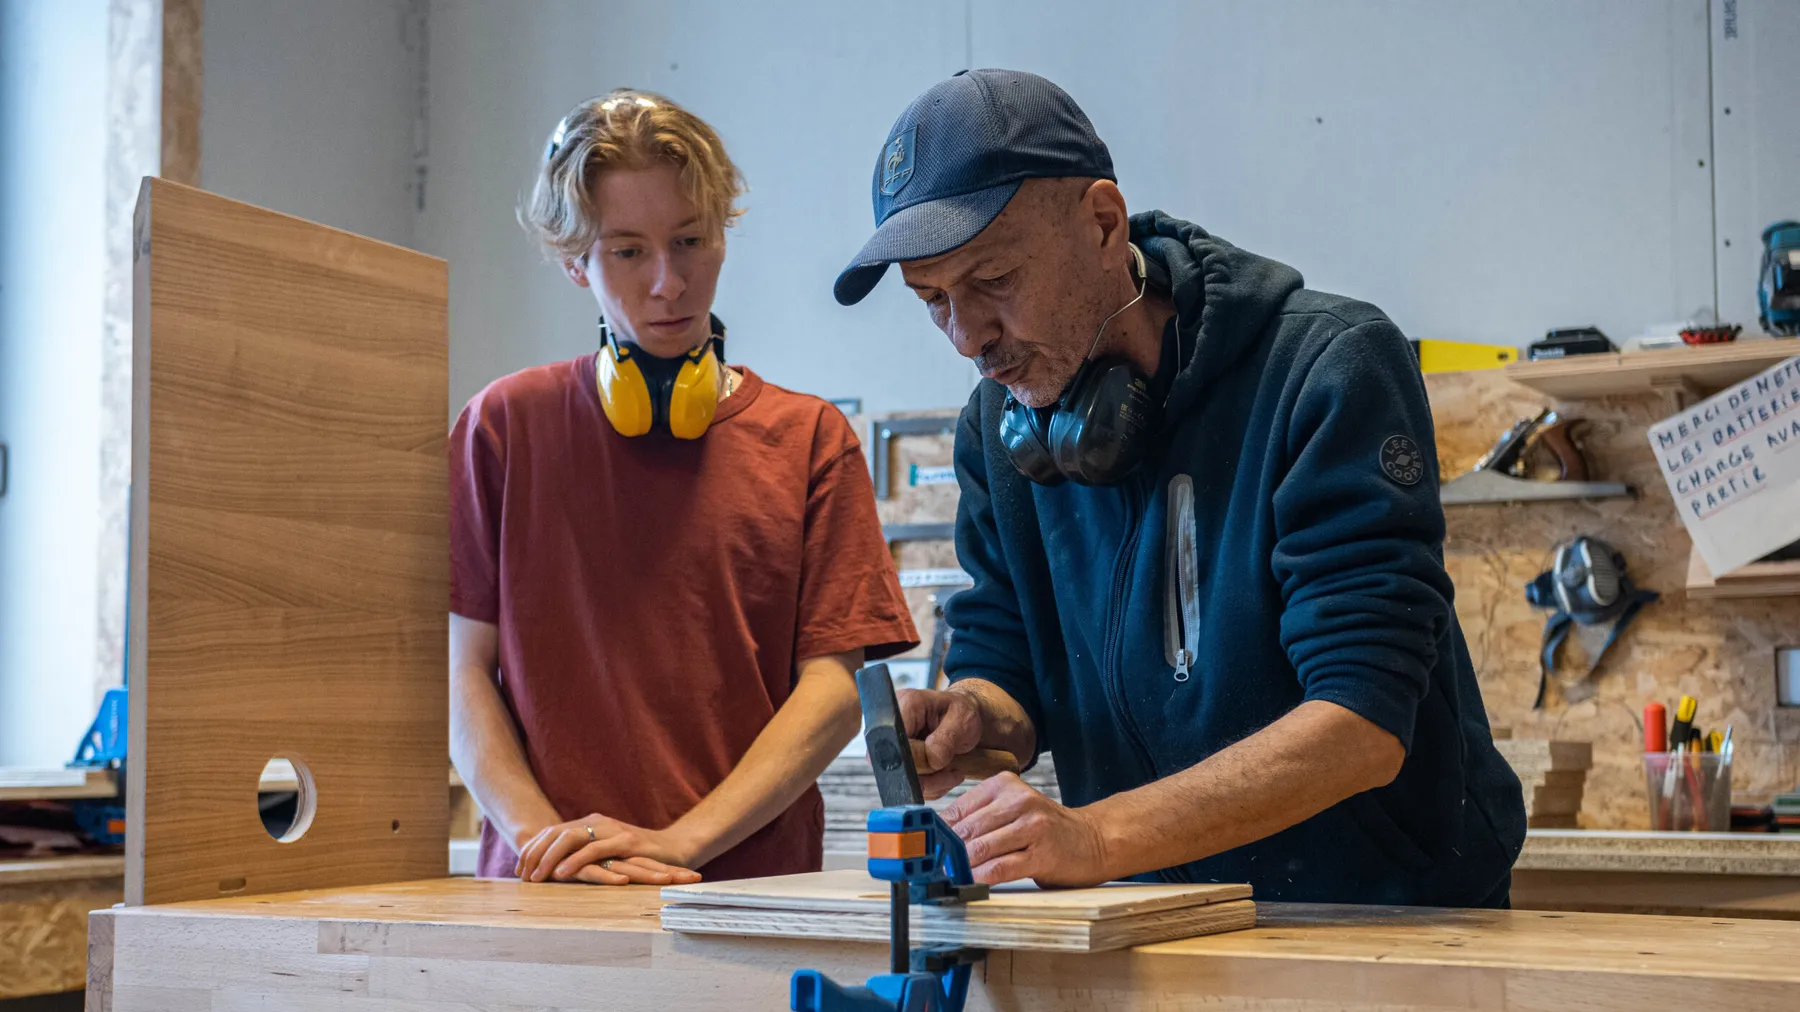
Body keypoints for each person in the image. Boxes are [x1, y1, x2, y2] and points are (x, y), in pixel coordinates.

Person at [834, 69, 1524, 906]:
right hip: (1152, 924)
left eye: (993, 282)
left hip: (1379, 920)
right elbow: (1004, 657)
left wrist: (1094, 835)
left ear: (1101, 222)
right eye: (932, 299)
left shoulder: (1324, 370)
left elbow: (1362, 724)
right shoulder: (1000, 425)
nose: (966, 336)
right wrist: (974, 716)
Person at [450, 89, 917, 886]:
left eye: (691, 240)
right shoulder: (501, 427)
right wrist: (546, 845)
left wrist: (678, 843)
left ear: (723, 238)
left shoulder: (811, 442)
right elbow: (461, 675)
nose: (669, 282)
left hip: (747, 900)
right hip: (546, 896)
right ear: (574, 262)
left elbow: (835, 689)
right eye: (627, 251)